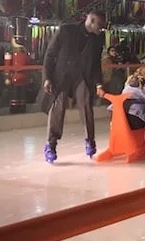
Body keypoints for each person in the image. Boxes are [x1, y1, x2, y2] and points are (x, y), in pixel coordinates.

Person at [41, 10, 106, 164]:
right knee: (58, 108)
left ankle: (90, 140)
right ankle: (51, 143)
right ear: (91, 21)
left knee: (86, 106)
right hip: (62, 76)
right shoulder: (66, 30)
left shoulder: (97, 40)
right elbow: (50, 54)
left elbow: (96, 64)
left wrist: (98, 83)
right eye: (100, 25)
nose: (101, 28)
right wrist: (47, 77)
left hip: (82, 77)